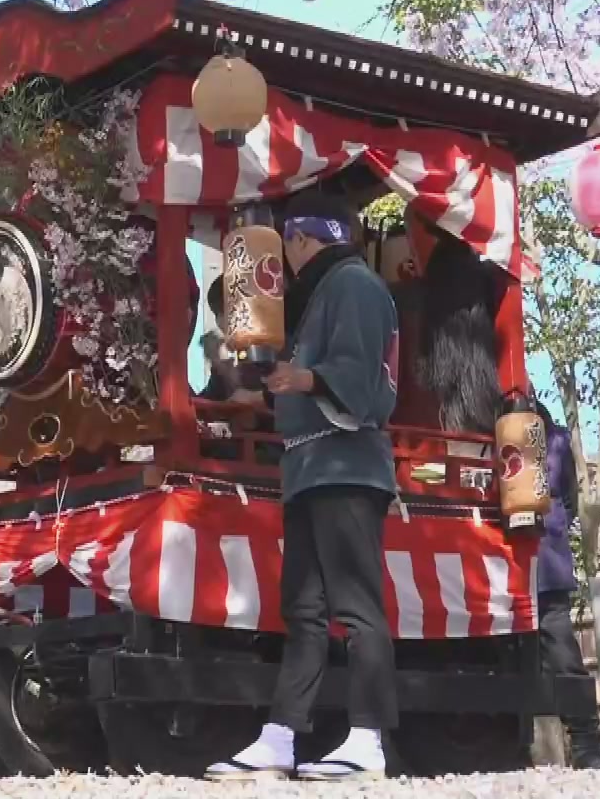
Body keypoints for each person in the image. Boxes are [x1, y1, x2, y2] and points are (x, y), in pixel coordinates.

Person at [208, 191, 400, 782]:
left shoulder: (356, 285)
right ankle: (281, 735)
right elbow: (297, 385)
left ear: (301, 239)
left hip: (346, 465)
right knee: (306, 610)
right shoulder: (322, 294)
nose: (285, 263)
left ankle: (368, 738)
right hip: (310, 468)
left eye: (286, 246)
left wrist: (307, 376)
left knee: (358, 607)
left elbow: (361, 381)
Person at [532, 400, 600, 769]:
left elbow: (570, 500)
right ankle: (582, 742)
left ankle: (585, 741)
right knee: (554, 647)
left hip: (543, 557)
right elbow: (570, 502)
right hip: (535, 554)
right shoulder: (554, 439)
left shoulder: (555, 440)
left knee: (559, 647)